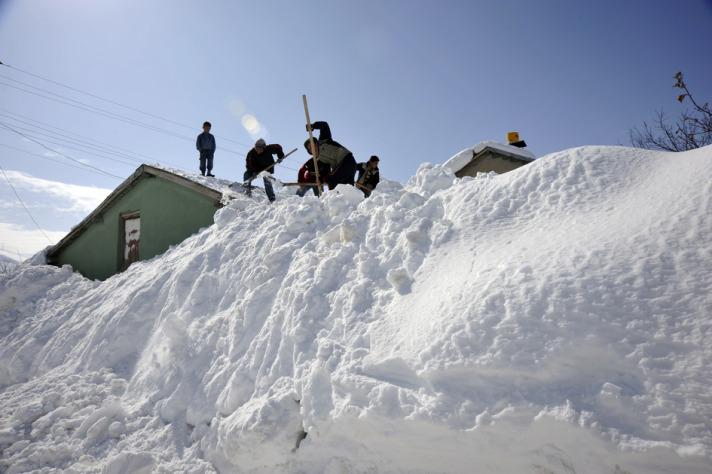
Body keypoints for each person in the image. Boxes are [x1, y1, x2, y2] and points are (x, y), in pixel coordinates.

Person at [304, 121, 357, 190]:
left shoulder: (324, 140)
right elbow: (325, 171)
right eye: (309, 149)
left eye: (311, 145)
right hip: (344, 170)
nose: (312, 148)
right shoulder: (320, 159)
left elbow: (324, 125)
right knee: (345, 190)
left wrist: (313, 126)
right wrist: (318, 178)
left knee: (331, 179)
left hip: (347, 160)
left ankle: (331, 198)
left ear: (315, 143)